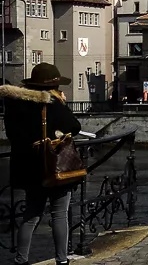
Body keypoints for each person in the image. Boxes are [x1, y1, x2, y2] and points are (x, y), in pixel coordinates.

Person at [2, 63, 81, 265]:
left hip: (28, 168)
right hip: (54, 166)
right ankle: (62, 260)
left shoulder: (14, 103)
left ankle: (21, 259)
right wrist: (62, 104)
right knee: (59, 214)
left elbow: (13, 134)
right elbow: (74, 126)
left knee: (31, 215)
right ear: (52, 86)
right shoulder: (51, 103)